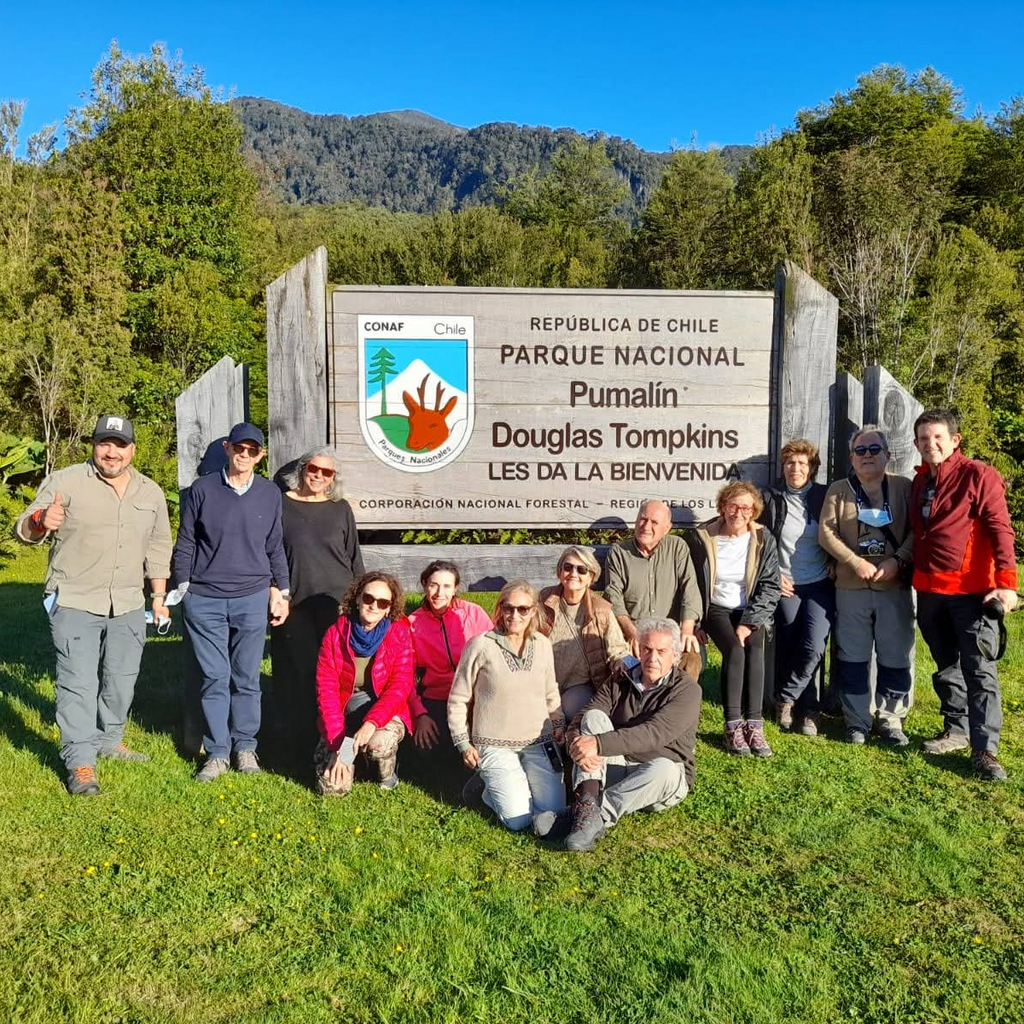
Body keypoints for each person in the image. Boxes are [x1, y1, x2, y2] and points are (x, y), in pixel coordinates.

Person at [14, 415, 172, 796]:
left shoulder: (150, 492)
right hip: (75, 599)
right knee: (78, 683)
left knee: (121, 680)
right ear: (94, 446)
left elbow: (158, 546)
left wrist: (159, 598)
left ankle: (109, 739)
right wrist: (40, 519)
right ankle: (81, 760)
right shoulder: (66, 482)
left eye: (119, 444)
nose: (111, 452)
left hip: (130, 602)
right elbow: (23, 528)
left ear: (133, 449)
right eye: (104, 443)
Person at [172, 422, 291, 782]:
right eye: (239, 448)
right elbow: (187, 542)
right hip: (205, 599)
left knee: (246, 678)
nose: (245, 454)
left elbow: (274, 546)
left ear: (261, 455)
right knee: (214, 677)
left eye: (252, 450)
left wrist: (281, 591)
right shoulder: (201, 490)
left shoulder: (270, 494)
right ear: (227, 448)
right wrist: (183, 587)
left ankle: (245, 748)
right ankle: (217, 752)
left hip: (252, 598)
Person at [911, 408, 1019, 781]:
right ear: (916, 444)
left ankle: (985, 750)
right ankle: (955, 729)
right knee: (946, 666)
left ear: (955, 440)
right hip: (928, 591)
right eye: (924, 439)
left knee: (980, 671)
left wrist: (1006, 581)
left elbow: (1001, 529)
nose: (931, 444)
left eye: (938, 437)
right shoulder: (920, 481)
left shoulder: (979, 476)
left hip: (972, 592)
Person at [553, 617, 701, 852]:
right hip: (618, 763)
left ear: (675, 655)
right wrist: (574, 741)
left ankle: (592, 814)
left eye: (661, 651)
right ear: (638, 650)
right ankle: (588, 803)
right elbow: (586, 714)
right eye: (647, 649)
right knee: (594, 719)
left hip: (655, 778)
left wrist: (598, 744)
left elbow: (654, 734)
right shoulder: (622, 679)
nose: (653, 658)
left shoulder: (687, 691)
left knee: (665, 768)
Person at [818, 426, 915, 746]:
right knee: (853, 657)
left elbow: (918, 532)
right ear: (852, 457)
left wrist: (897, 560)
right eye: (860, 451)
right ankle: (856, 720)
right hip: (851, 587)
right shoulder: (839, 490)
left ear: (887, 455)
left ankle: (890, 718)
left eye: (874, 450)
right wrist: (853, 561)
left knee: (895, 655)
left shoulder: (903, 488)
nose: (867, 456)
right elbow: (826, 534)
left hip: (893, 587)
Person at [447, 580, 566, 833]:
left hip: (539, 741)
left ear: (533, 610)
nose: (514, 615)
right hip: (494, 743)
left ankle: (509, 784)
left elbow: (550, 691)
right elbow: (459, 697)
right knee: (518, 821)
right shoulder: (481, 645)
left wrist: (558, 724)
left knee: (554, 810)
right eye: (508, 607)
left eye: (523, 609)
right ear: (500, 608)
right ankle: (489, 789)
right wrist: (463, 743)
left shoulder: (543, 645)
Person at [271, 447, 363, 766]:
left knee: (338, 677)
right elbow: (271, 552)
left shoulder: (340, 509)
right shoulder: (280, 504)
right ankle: (297, 746)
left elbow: (354, 559)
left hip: (336, 605)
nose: (319, 476)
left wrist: (360, 602)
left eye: (327, 472)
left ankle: (338, 746)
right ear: (303, 468)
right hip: (294, 605)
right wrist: (275, 591)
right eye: (314, 468)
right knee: (299, 676)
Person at [687, 481, 781, 756]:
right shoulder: (702, 538)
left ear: (753, 512)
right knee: (735, 651)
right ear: (722, 507)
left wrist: (749, 622)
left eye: (745, 507)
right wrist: (694, 622)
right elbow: (690, 583)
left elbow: (770, 585)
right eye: (732, 505)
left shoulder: (764, 539)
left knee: (755, 648)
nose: (738, 512)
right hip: (715, 608)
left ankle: (754, 724)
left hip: (749, 607)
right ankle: (732, 725)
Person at [314, 571, 414, 794]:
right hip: (345, 717)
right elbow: (326, 691)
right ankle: (354, 760)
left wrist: (372, 722)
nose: (374, 606)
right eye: (368, 598)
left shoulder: (399, 633)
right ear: (358, 598)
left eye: (382, 602)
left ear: (389, 607)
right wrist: (340, 746)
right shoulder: (335, 634)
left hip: (382, 713)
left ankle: (387, 775)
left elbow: (400, 687)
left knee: (378, 745)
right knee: (332, 789)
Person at [759, 440, 835, 736]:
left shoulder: (824, 496)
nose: (796, 468)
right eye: (790, 463)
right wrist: (773, 573)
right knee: (789, 644)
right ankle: (805, 712)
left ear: (812, 468)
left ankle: (788, 698)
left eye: (803, 463)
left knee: (814, 645)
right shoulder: (770, 498)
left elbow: (840, 529)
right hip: (787, 584)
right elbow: (757, 539)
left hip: (818, 582)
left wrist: (835, 561)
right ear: (783, 467)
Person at [407, 560, 492, 754]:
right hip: (437, 696)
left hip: (475, 694)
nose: (439, 593)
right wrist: (420, 714)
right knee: (427, 749)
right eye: (433, 585)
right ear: (424, 585)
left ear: (455, 589)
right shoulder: (412, 623)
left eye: (446, 586)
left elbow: (494, 655)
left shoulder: (473, 613)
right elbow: (405, 676)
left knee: (482, 746)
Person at [538, 545, 631, 720]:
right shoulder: (544, 599)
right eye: (568, 567)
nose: (574, 573)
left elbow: (619, 648)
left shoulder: (601, 610)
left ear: (591, 578)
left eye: (582, 570)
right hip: (541, 680)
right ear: (560, 571)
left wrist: (622, 661)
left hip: (578, 685)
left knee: (574, 713)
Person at [603, 499, 703, 659]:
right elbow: (613, 597)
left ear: (666, 528)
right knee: (626, 665)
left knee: (692, 658)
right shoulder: (619, 553)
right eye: (642, 519)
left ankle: (677, 685)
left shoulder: (677, 547)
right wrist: (632, 634)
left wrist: (687, 630)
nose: (646, 526)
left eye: (654, 522)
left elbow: (689, 589)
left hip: (669, 634)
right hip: (634, 633)